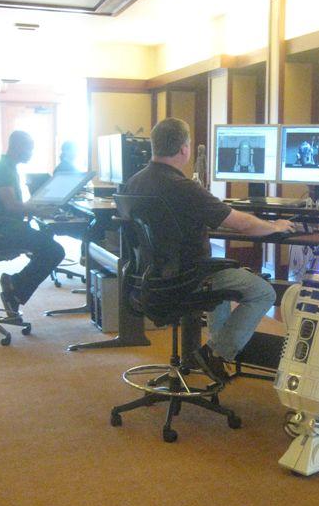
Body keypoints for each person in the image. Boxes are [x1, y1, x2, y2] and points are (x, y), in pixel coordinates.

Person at [122, 117, 297, 384]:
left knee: (222, 277)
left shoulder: (134, 183)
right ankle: (216, 353)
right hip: (189, 277)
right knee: (264, 291)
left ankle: (215, 351)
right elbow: (242, 224)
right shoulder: (184, 188)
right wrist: (275, 225)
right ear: (184, 149)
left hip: (150, 278)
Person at [0, 130, 65, 314]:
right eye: (29, 148)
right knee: (54, 250)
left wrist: (34, 206)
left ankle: (14, 285)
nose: (31, 153)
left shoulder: (6, 167)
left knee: (45, 242)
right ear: (17, 147)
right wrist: (39, 210)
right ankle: (14, 289)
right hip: (0, 230)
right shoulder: (3, 170)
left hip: (5, 227)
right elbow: (11, 205)